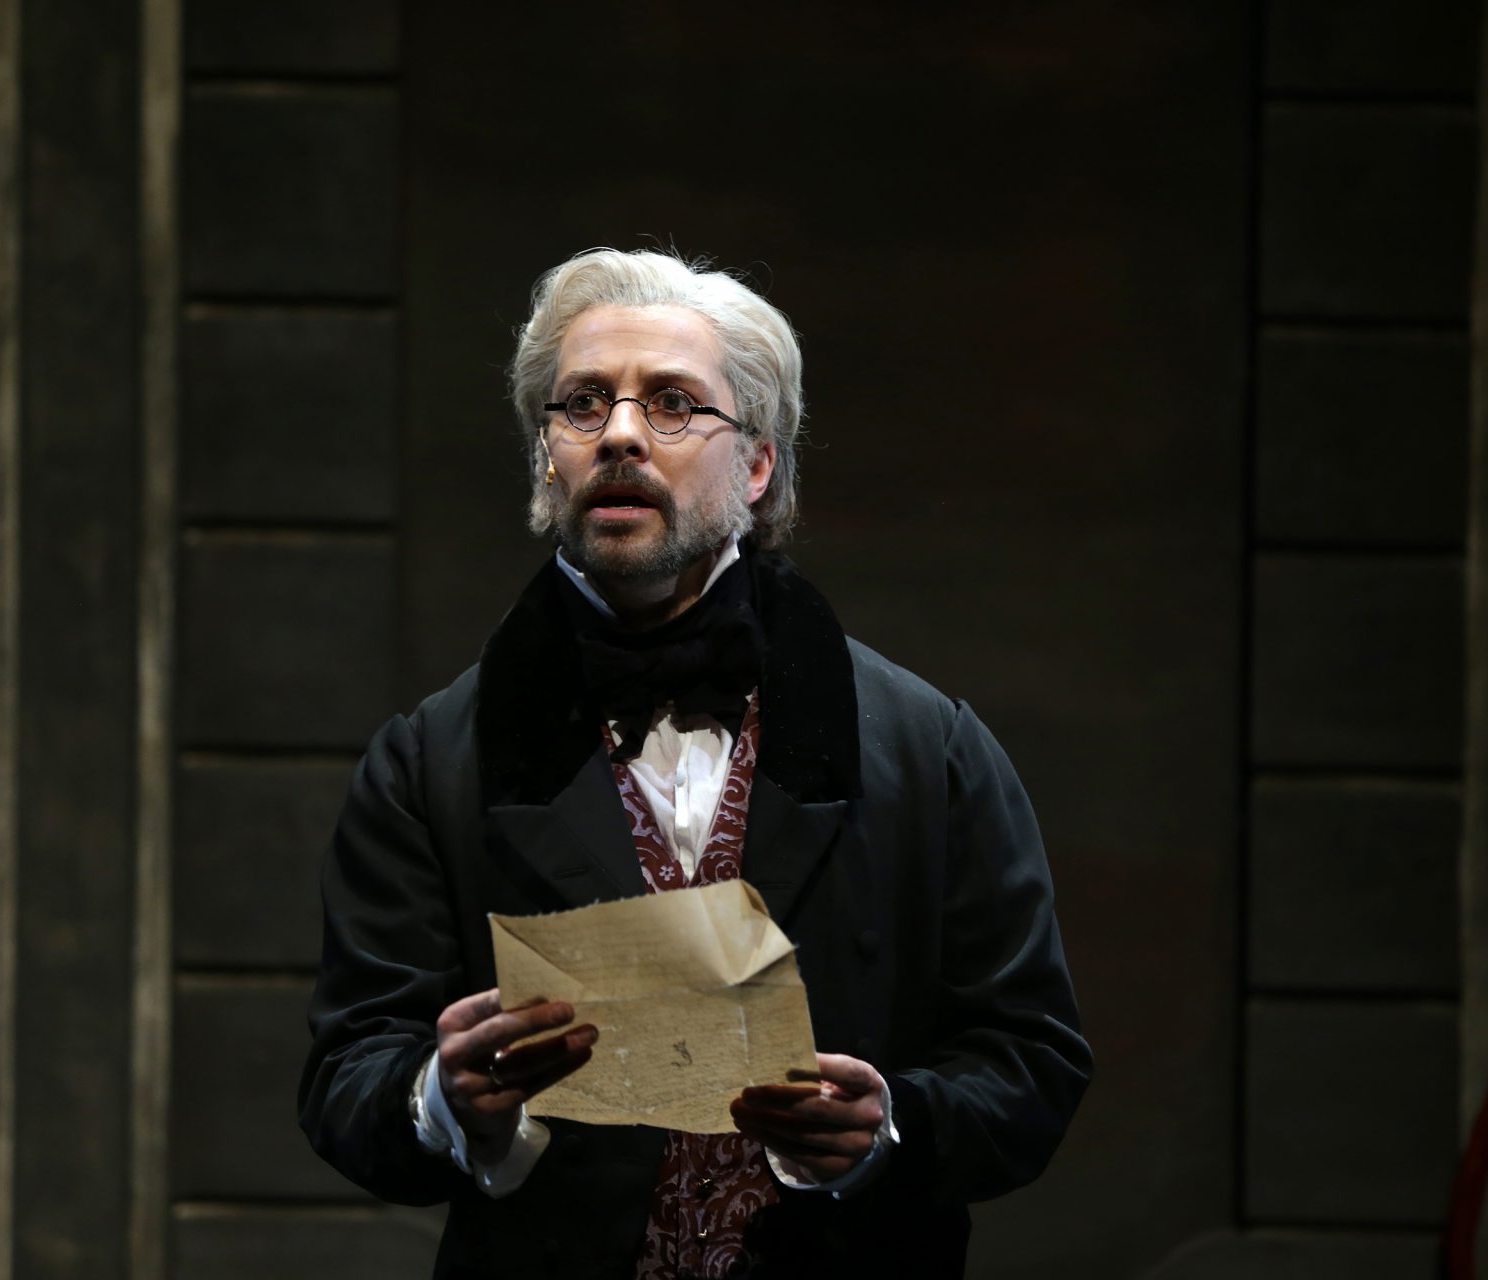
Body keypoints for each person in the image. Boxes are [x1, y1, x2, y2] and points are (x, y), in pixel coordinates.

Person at [298, 248, 1091, 1278]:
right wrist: (442, 1101)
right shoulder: (429, 759)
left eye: (673, 403)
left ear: (757, 466)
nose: (620, 433)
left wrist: (891, 1125)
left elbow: (1032, 1058)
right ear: (547, 458)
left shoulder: (926, 746)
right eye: (583, 404)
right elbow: (346, 1074)